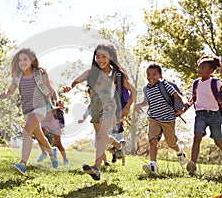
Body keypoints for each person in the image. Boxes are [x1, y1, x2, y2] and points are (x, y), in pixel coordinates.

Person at [64, 44, 136, 180]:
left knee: (101, 135)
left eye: (104, 56)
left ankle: (97, 168)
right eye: (98, 56)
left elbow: (134, 91)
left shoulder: (116, 74)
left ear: (111, 57)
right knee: (101, 136)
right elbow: (75, 81)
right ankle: (118, 145)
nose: (100, 59)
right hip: (95, 108)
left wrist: (126, 109)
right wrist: (70, 86)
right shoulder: (92, 72)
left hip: (109, 106)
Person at [0, 48, 59, 175]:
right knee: (40, 137)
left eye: (25, 59)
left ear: (32, 60)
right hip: (27, 111)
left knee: (26, 131)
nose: (22, 62)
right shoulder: (18, 76)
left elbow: (52, 90)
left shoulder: (40, 74)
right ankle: (52, 152)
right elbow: (11, 91)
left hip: (40, 108)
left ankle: (23, 164)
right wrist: (5, 95)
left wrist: (57, 100)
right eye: (20, 60)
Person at [135, 62, 187, 175]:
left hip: (168, 119)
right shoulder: (146, 89)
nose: (151, 77)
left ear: (160, 75)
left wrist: (183, 105)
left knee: (171, 143)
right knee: (152, 140)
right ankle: (152, 166)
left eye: (154, 74)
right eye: (149, 74)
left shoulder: (164, 85)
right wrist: (139, 105)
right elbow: (147, 102)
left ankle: (179, 151)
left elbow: (176, 95)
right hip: (154, 118)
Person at [185, 55, 222, 175]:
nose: (199, 69)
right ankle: (192, 163)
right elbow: (193, 98)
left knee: (218, 141)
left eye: (203, 67)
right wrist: (184, 108)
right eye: (199, 67)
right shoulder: (196, 83)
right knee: (197, 136)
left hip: (215, 115)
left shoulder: (216, 82)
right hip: (200, 114)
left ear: (210, 71)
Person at [78, 88, 110, 167]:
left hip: (103, 125)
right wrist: (82, 119)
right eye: (90, 94)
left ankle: (116, 147)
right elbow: (85, 114)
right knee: (100, 144)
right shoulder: (90, 106)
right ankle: (105, 161)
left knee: (103, 141)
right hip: (96, 127)